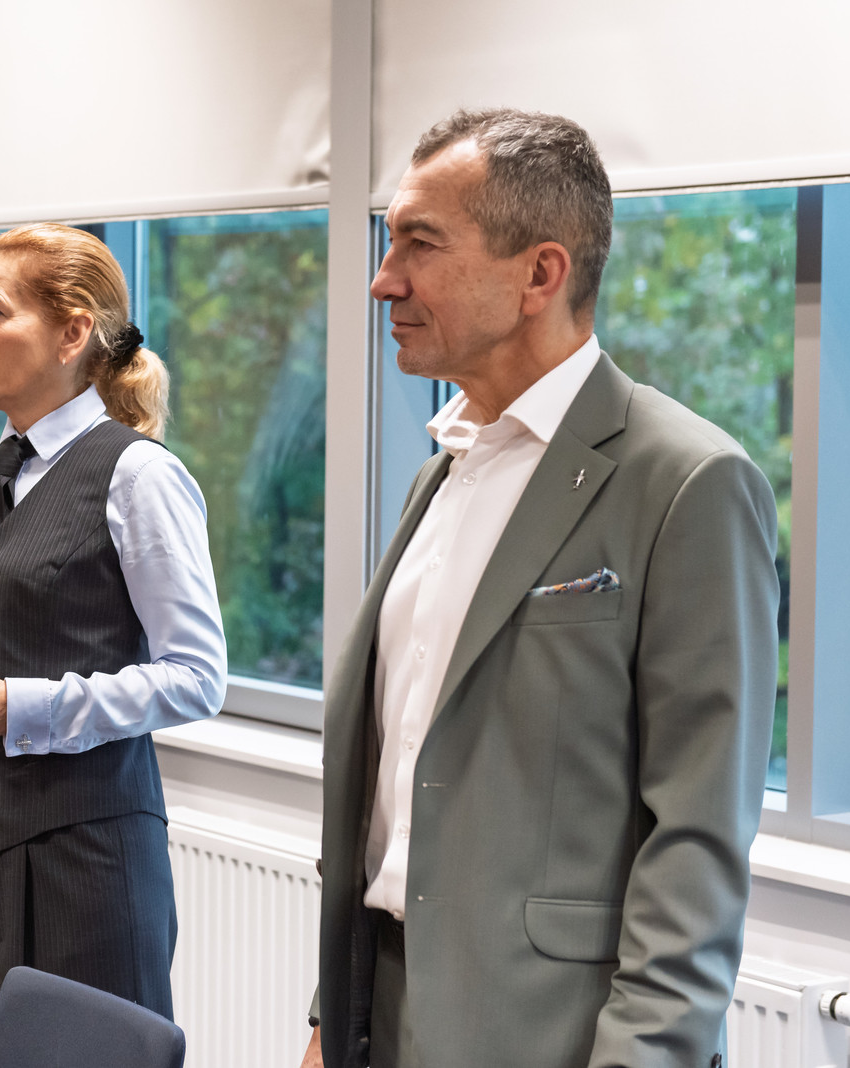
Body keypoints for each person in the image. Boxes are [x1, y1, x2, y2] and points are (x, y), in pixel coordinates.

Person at [302, 109, 779, 1068]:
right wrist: (330, 1018)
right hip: (381, 1005)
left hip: (551, 1032)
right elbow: (395, 783)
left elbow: (696, 840)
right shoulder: (441, 471)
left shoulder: (687, 481)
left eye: (420, 244)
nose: (384, 279)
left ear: (540, 274)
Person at [0, 222, 228, 1068]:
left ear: (72, 332)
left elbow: (197, 677)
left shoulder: (139, 475)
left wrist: (23, 706)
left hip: (80, 865)